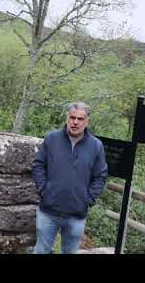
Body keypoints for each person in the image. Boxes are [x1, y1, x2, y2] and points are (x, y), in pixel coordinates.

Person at [32, 102, 108, 254]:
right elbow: (38, 165)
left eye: (80, 119)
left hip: (76, 215)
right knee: (41, 250)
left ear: (87, 121)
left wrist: (88, 199)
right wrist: (43, 190)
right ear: (67, 118)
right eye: (72, 117)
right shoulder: (51, 139)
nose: (75, 122)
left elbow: (100, 176)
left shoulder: (96, 146)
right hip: (48, 211)